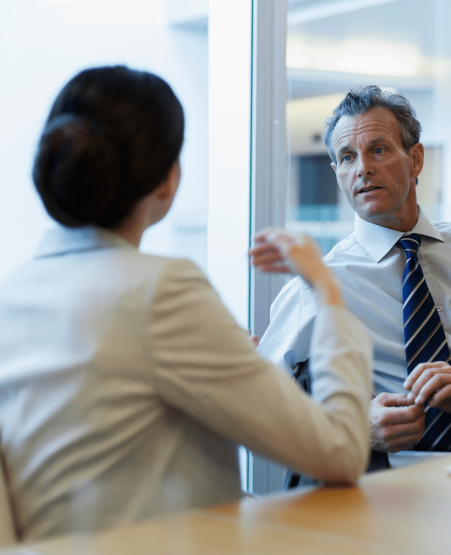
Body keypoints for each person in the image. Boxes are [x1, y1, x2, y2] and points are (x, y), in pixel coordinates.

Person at [0, 66, 373, 541]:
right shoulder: (162, 291)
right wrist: (326, 289)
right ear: (167, 182)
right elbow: (339, 450)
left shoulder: (10, 293)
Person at [258, 86, 451, 485]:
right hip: (404, 476)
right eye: (347, 157)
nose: (362, 169)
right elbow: (258, 405)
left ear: (416, 159)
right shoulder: (317, 285)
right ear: (337, 172)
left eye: (378, 150)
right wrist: (353, 425)